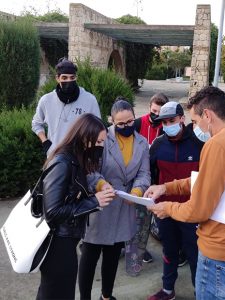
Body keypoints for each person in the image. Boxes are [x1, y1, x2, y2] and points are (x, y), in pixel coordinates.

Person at [145, 86, 225, 300]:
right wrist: (166, 187)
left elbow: (198, 209)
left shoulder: (216, 145)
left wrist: (166, 207)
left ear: (207, 115)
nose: (196, 127)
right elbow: (206, 181)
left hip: (221, 253)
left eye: (196, 121)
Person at [36, 113, 115, 300]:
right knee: (56, 293)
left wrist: (98, 191)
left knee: (54, 292)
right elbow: (53, 212)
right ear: (84, 137)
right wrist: (95, 202)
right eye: (98, 142)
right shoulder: (63, 163)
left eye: (103, 142)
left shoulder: (75, 159)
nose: (100, 147)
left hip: (66, 240)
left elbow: (72, 195)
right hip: (57, 243)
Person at [78, 99, 151, 300]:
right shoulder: (102, 138)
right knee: (89, 257)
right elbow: (89, 168)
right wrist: (102, 185)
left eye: (130, 122)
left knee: (112, 256)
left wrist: (137, 192)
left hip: (125, 206)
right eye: (120, 124)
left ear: (134, 117)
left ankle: (106, 296)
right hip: (100, 204)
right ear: (111, 120)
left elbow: (144, 174)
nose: (126, 127)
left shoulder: (143, 143)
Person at [147, 101, 204, 300]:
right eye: (164, 122)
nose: (168, 125)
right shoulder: (158, 145)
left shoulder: (200, 145)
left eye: (172, 120)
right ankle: (168, 290)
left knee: (195, 255)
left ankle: (200, 293)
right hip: (165, 209)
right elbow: (151, 174)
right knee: (169, 251)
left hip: (192, 211)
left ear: (182, 119)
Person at [32, 58, 101, 156]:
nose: (68, 81)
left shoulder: (89, 99)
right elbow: (36, 124)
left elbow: (97, 127)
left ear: (76, 77)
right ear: (57, 78)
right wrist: (45, 141)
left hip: (81, 157)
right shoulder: (46, 100)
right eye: (64, 78)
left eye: (72, 78)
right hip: (54, 156)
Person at [134, 92, 169, 263]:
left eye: (160, 113)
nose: (156, 115)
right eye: (154, 111)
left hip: (156, 176)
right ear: (149, 108)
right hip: (138, 175)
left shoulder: (166, 126)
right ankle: (128, 246)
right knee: (134, 214)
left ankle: (143, 246)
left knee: (148, 214)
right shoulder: (138, 123)